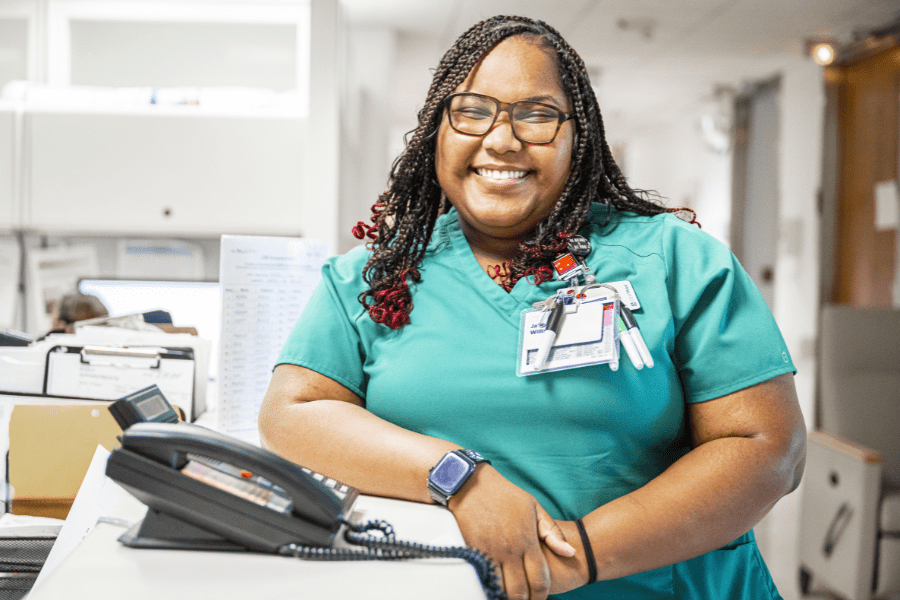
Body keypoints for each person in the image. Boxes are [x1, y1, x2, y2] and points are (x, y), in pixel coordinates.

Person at [259, 15, 806, 600]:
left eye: (536, 115)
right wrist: (459, 477)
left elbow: (768, 447)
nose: (501, 140)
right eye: (471, 111)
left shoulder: (674, 261)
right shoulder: (373, 278)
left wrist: (575, 558)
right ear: (435, 133)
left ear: (580, 137)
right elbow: (292, 412)